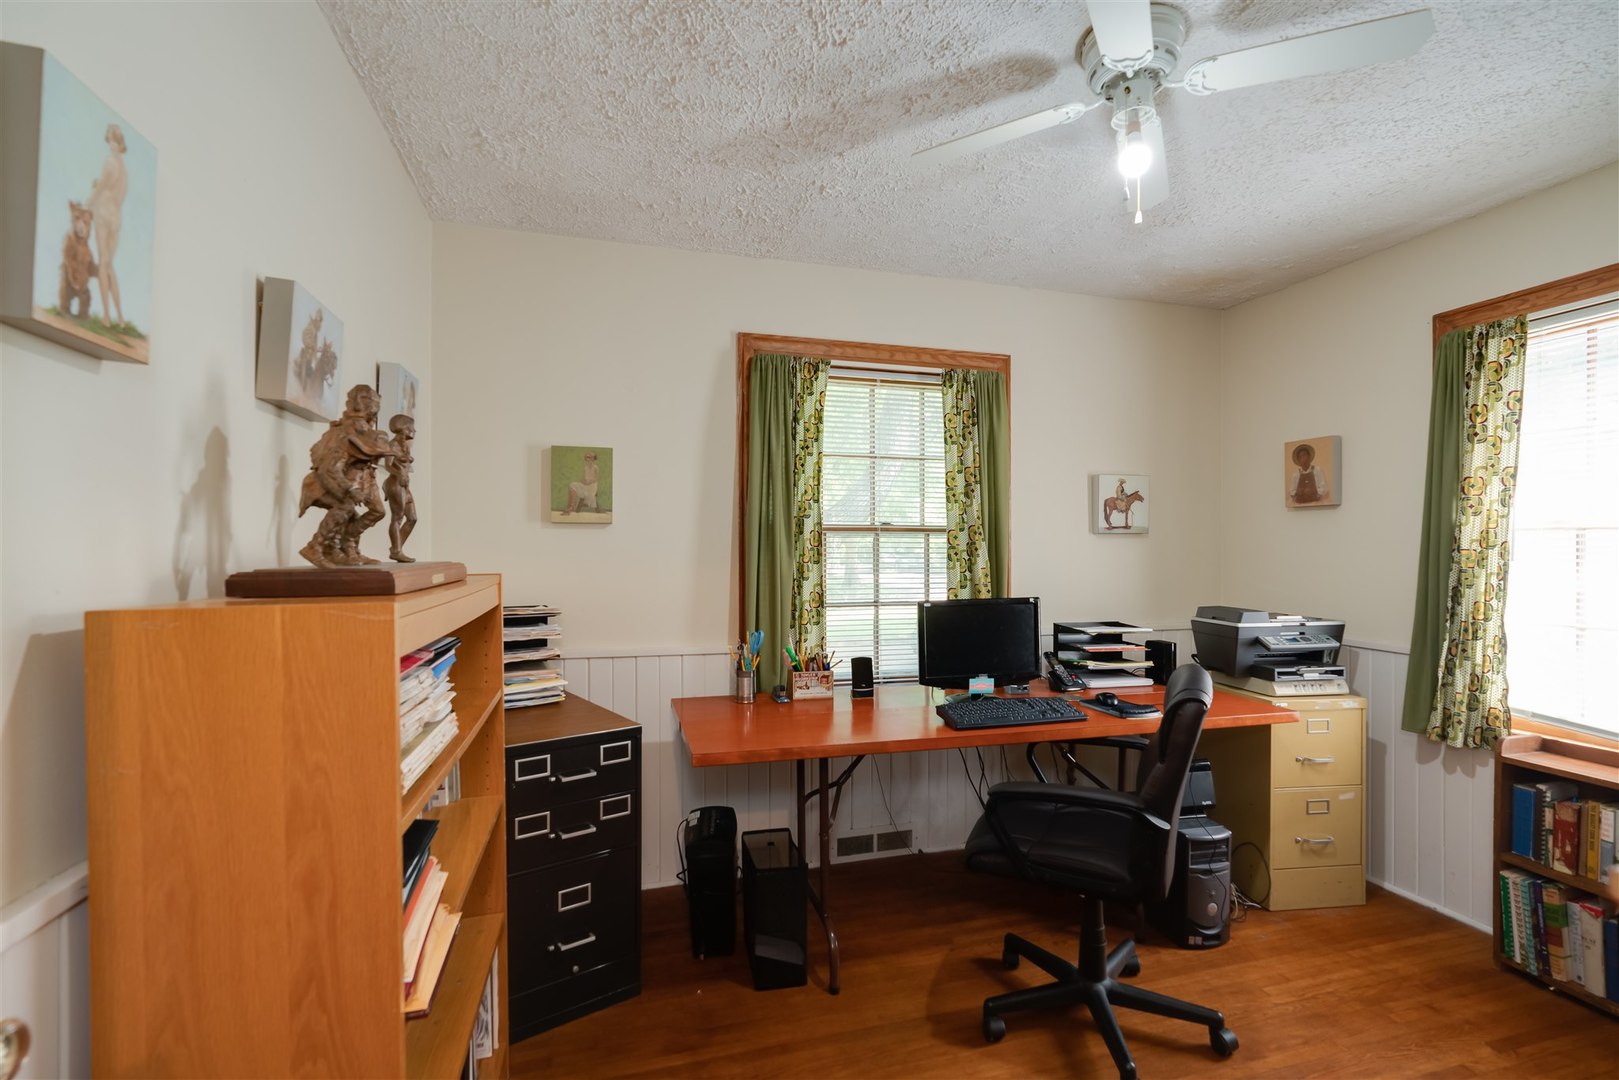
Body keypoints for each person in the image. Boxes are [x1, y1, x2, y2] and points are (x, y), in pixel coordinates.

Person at [298, 385, 394, 567]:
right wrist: (350, 488)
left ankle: (344, 545)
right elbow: (329, 468)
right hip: (340, 480)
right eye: (371, 403)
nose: (374, 408)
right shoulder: (343, 432)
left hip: (364, 478)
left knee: (378, 511)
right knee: (346, 506)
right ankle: (316, 546)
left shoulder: (364, 429)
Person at [87, 123, 128, 327]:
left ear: (119, 143)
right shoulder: (124, 171)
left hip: (103, 213)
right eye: (110, 140)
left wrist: (88, 203)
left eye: (113, 140)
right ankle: (120, 317)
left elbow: (102, 186)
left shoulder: (110, 163)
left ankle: (106, 316)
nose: (111, 144)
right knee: (109, 264)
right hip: (115, 216)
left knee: (103, 265)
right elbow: (120, 197)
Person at [384, 414, 417, 563]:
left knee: (412, 518)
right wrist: (399, 474)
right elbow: (387, 465)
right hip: (395, 483)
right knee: (397, 518)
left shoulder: (405, 446)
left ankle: (396, 549)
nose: (414, 430)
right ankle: (397, 551)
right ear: (404, 428)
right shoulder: (392, 445)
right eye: (411, 428)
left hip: (405, 484)